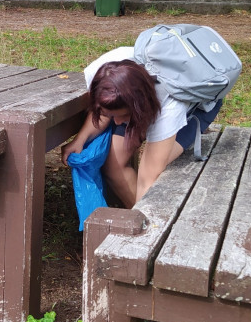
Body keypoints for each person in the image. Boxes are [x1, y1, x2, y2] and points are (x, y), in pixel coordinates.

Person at [61, 48, 224, 208]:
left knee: (156, 169)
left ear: (138, 107)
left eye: (123, 116)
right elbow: (104, 110)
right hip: (143, 102)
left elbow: (148, 178)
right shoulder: (99, 72)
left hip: (195, 107)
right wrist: (80, 140)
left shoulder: (171, 107)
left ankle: (154, 226)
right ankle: (143, 221)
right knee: (114, 165)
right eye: (114, 116)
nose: (117, 123)